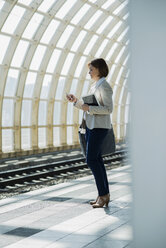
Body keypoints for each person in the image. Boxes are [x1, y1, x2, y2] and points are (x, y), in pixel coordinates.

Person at [66, 58, 113, 208]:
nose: (89, 72)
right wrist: (76, 101)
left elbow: (108, 109)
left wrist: (89, 108)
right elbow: (89, 107)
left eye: (91, 69)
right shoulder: (95, 86)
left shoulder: (104, 86)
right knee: (97, 160)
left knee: (91, 160)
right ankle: (103, 195)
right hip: (92, 126)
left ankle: (103, 194)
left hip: (99, 127)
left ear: (99, 69)